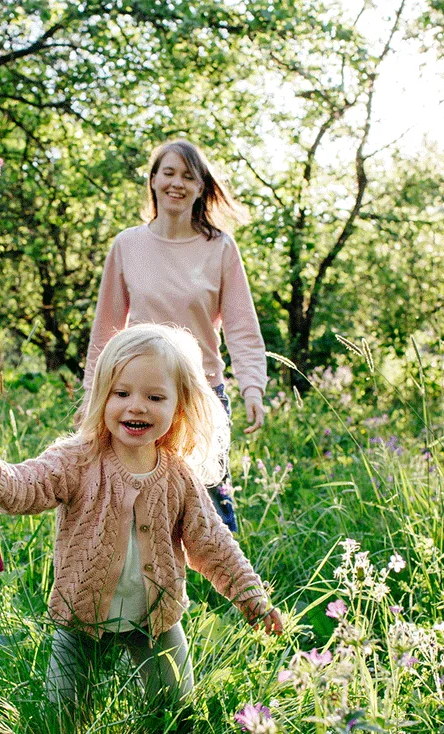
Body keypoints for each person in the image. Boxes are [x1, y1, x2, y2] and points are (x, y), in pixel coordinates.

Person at [0, 324, 283, 722]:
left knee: (176, 710)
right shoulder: (78, 460)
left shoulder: (178, 477)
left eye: (155, 396)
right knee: (62, 716)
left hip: (156, 618)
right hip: (82, 618)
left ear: (178, 407)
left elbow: (212, 542)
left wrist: (251, 597)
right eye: (122, 393)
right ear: (102, 396)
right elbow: (29, 486)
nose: (137, 406)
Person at [82, 139, 267, 532]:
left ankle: (222, 588)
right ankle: (146, 586)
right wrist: (91, 395)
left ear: (201, 187)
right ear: (153, 180)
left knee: (209, 506)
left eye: (188, 176)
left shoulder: (219, 248)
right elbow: (106, 331)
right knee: (140, 502)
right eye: (168, 173)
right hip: (139, 396)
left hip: (201, 394)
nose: (177, 183)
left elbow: (242, 326)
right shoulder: (128, 244)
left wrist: (253, 386)